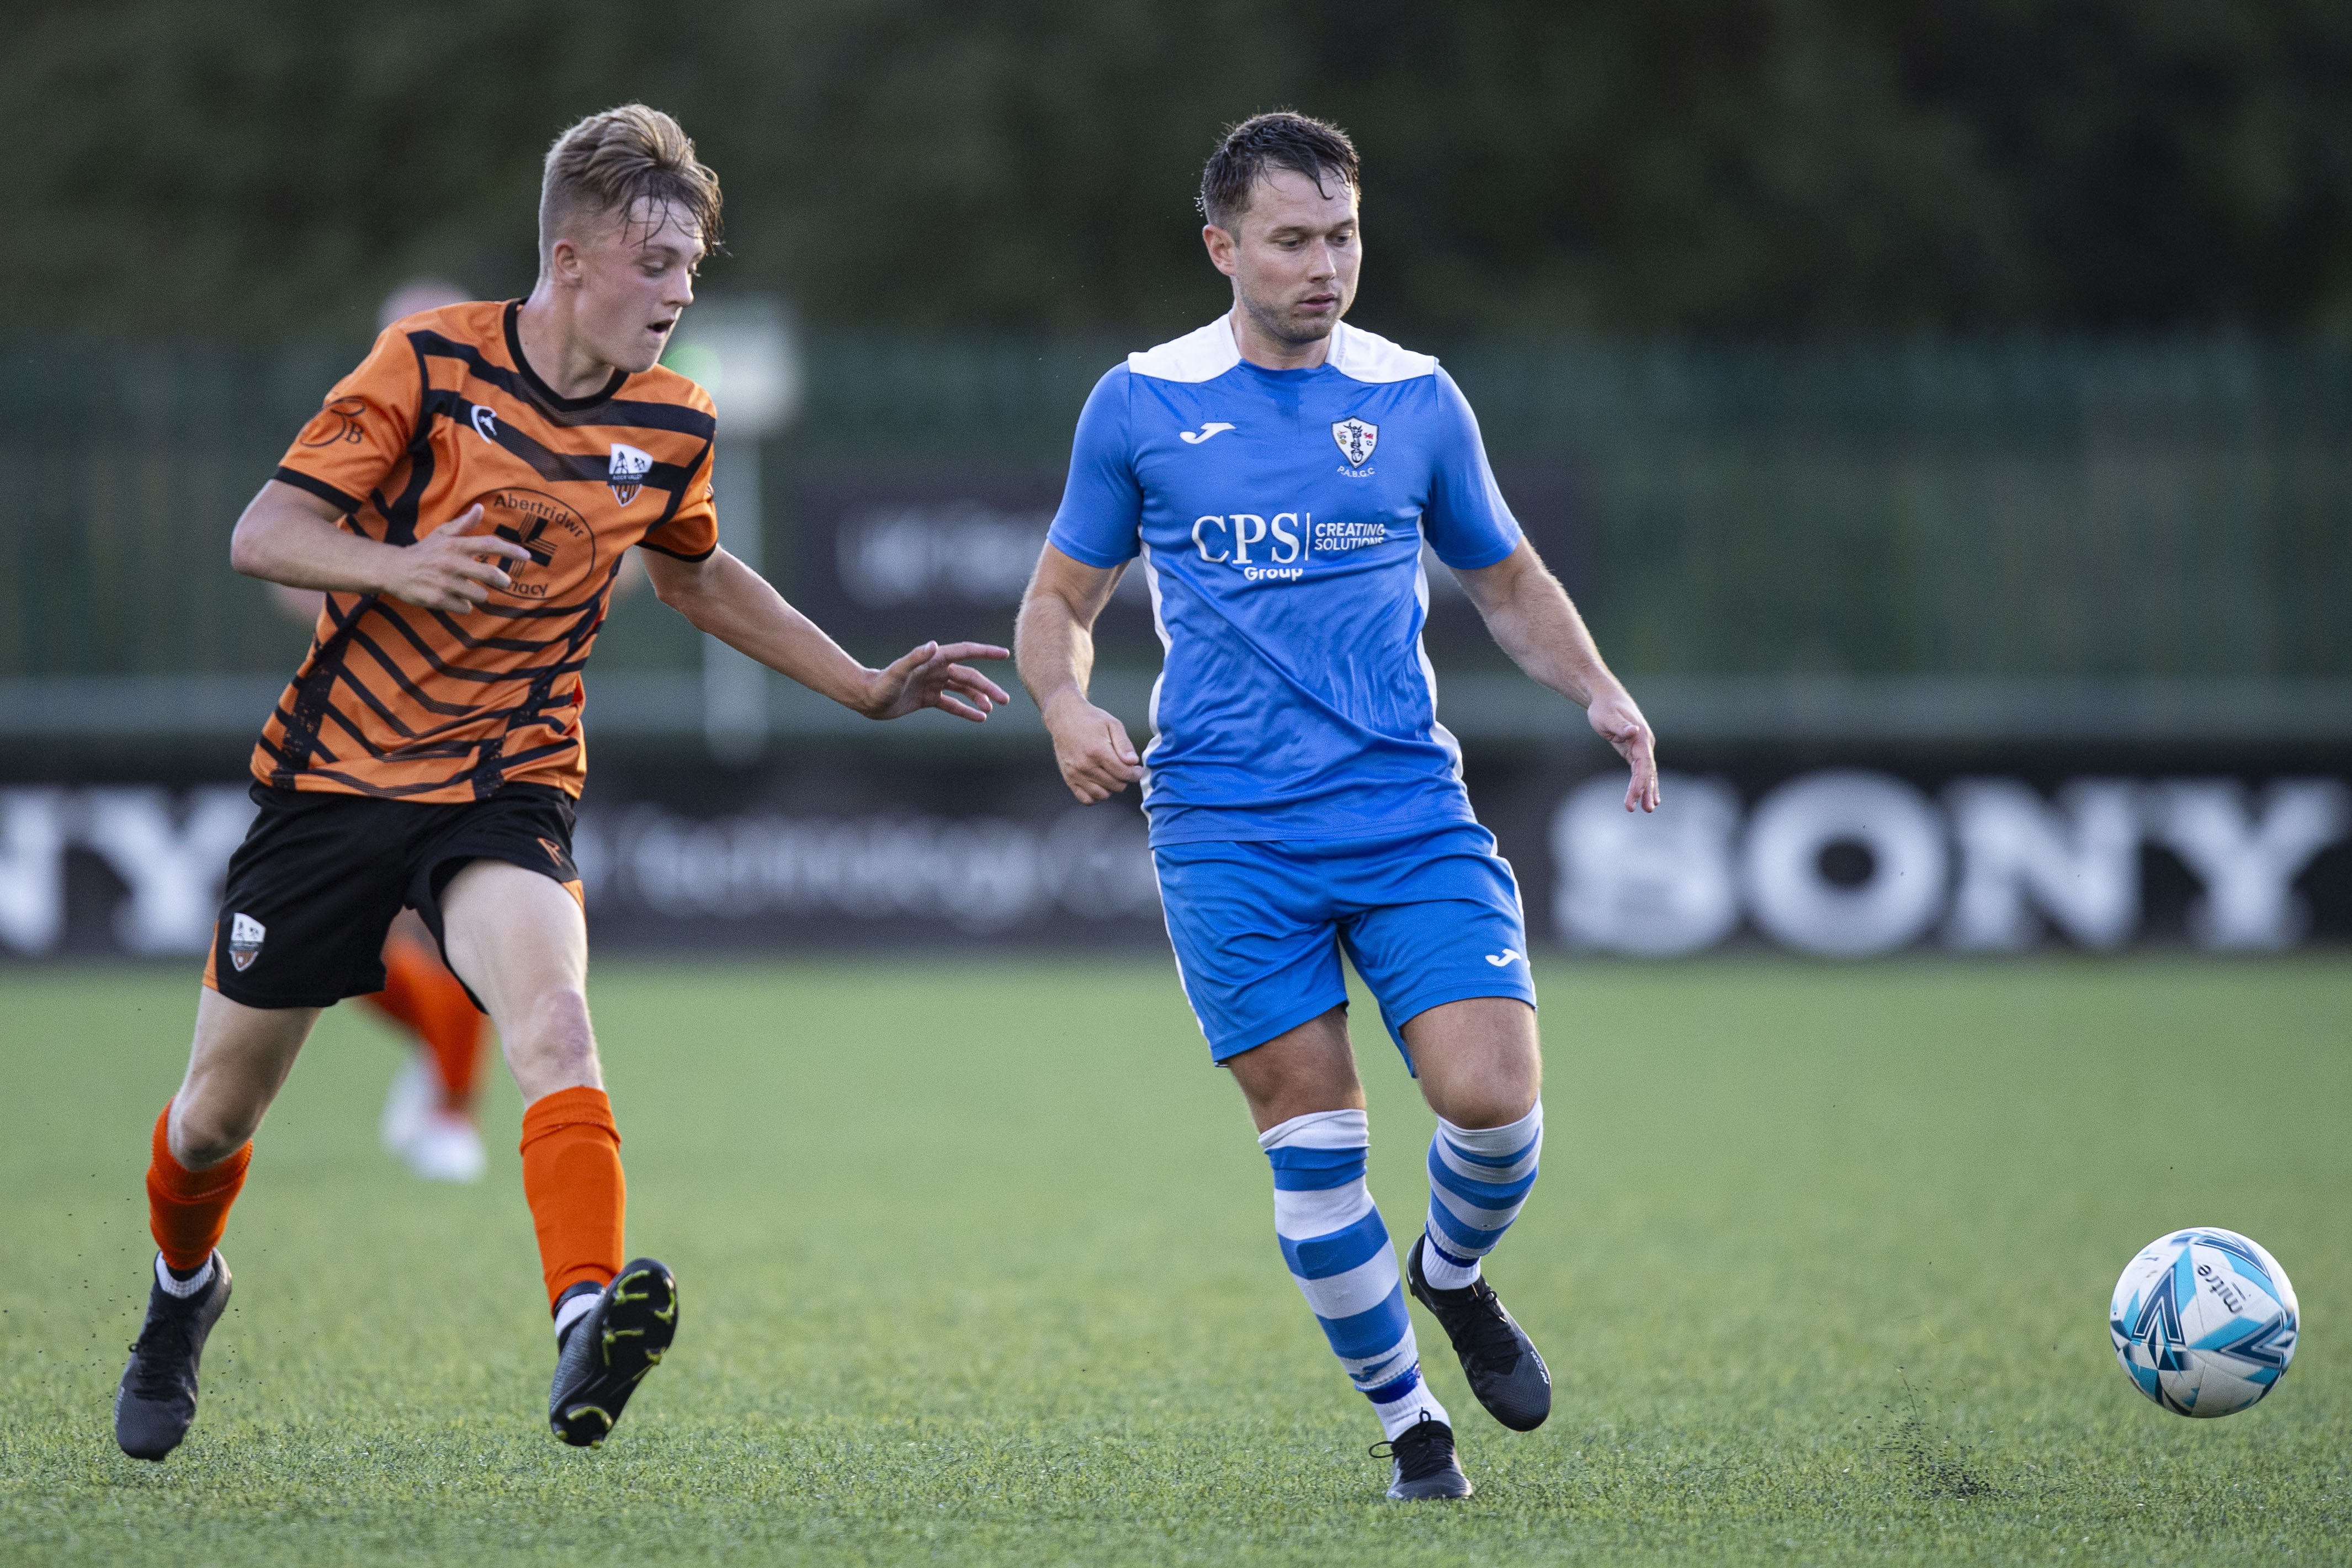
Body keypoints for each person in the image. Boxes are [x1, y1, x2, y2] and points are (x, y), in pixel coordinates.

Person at [114, 104, 1011, 1463]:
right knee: (213, 1116)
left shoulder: (674, 418)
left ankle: (585, 1315)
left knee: (557, 1024)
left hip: (508, 782)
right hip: (337, 778)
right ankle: (185, 1289)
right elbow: (266, 533)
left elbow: (696, 571)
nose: (679, 289)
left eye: (693, 266)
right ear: (572, 257)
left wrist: (867, 685)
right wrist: (401, 565)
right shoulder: (425, 366)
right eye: (655, 261)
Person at [1016, 111, 1659, 1502]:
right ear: (1223, 246)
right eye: (1294, 239)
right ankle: (1411, 1424)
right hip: (1225, 828)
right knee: (1315, 1139)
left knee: (1492, 1098)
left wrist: (1596, 688)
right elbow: (1060, 599)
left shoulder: (1418, 397)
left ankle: (1454, 1271)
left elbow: (1505, 581)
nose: (1326, 265)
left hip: (1405, 805)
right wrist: (1067, 705)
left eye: (1344, 235)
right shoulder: (1141, 401)